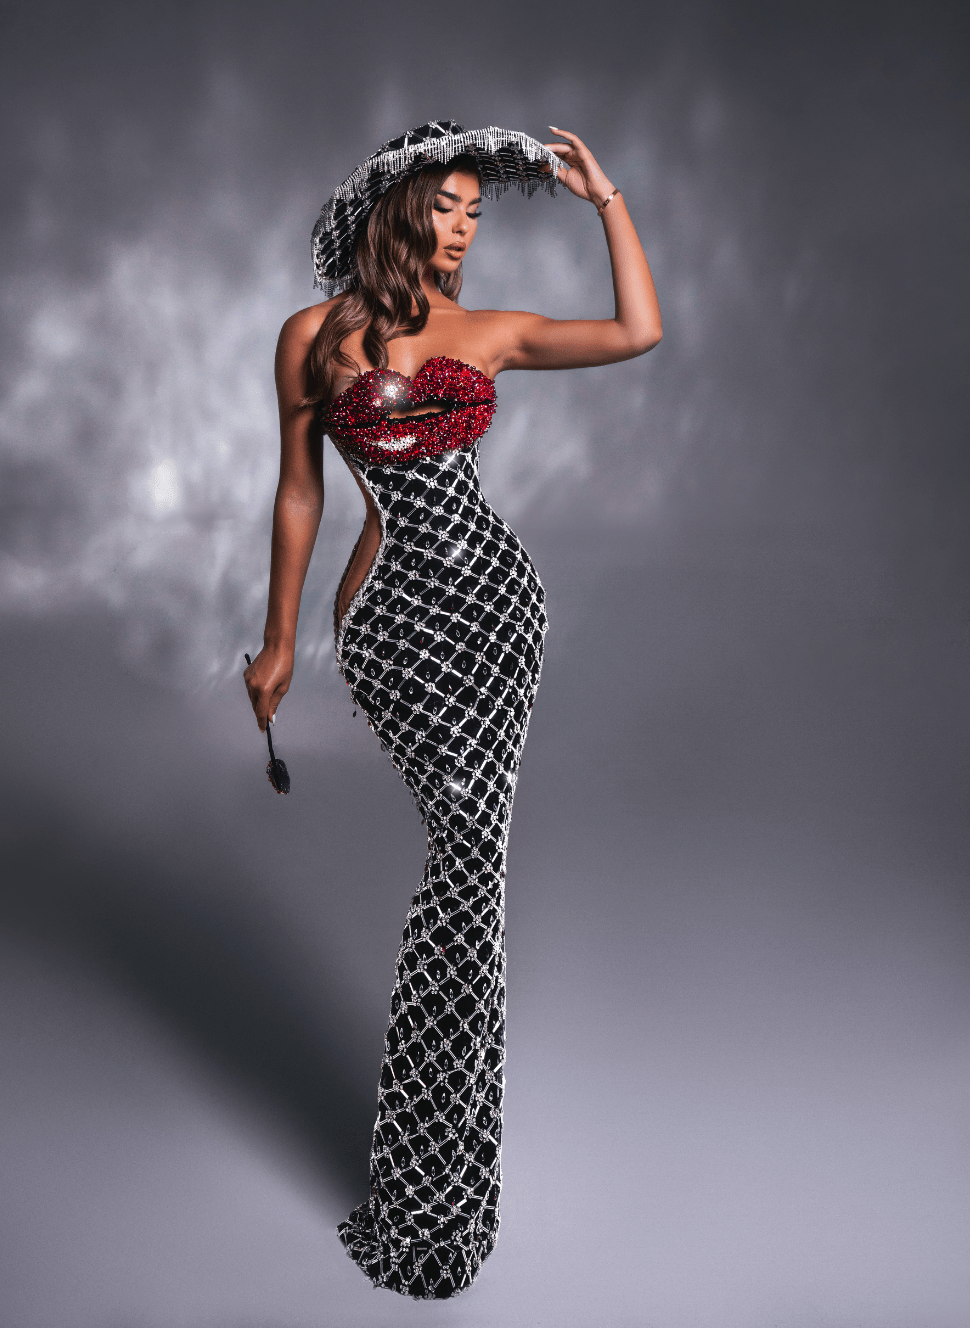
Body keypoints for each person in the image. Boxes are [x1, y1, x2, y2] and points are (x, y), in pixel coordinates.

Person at [245, 121, 661, 1299]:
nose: (467, 229)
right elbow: (299, 493)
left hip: (497, 615)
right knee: (465, 863)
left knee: (473, 867)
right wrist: (278, 639)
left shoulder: (489, 332)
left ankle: (443, 1181)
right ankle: (430, 1183)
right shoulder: (311, 339)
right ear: (401, 207)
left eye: (480, 210)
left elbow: (639, 330)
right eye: (451, 206)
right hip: (396, 626)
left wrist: (605, 198)